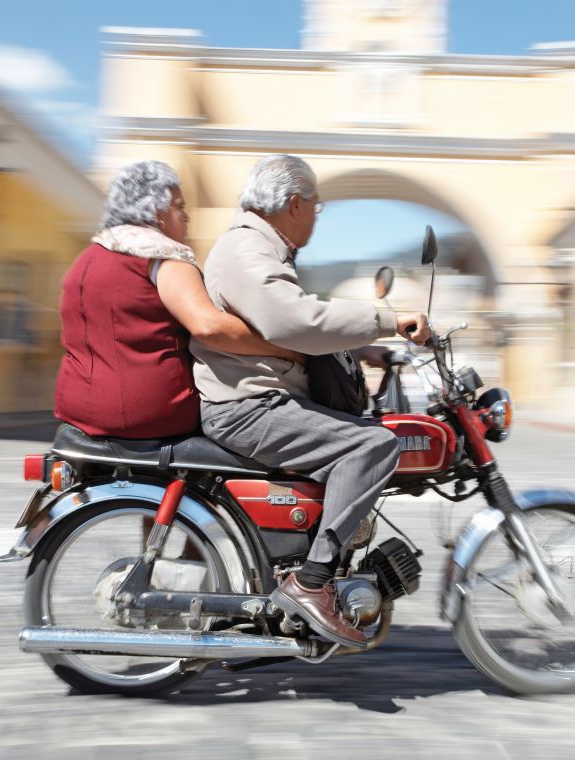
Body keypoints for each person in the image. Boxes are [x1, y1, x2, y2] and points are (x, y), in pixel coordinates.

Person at [192, 154, 431, 648]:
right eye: (316, 207)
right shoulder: (247, 250)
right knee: (374, 446)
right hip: (249, 407)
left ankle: (322, 565)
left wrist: (362, 349)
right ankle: (312, 582)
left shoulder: (263, 250)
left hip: (261, 399)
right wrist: (388, 320)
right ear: (295, 204)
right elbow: (295, 322)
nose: (317, 217)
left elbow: (287, 327)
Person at [54, 160, 301, 439]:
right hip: (153, 413)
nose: (186, 217)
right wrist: (287, 350)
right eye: (180, 207)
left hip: (75, 409)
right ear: (158, 213)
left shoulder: (87, 259)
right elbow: (209, 327)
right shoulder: (163, 257)